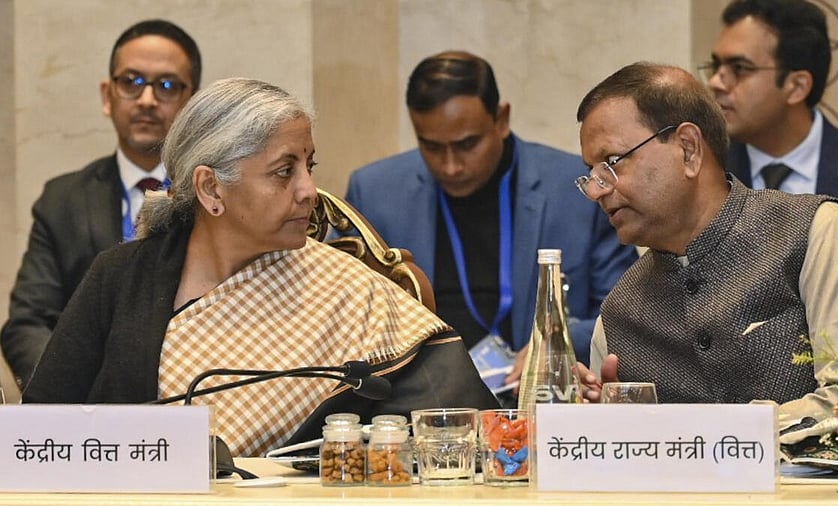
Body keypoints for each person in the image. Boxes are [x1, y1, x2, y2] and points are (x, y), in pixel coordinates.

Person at [22, 77, 499, 456]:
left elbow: (462, 428)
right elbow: (36, 435)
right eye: (283, 171)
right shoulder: (122, 277)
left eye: (309, 165)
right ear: (210, 189)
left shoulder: (350, 290)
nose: (309, 190)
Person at [573, 62, 838, 425]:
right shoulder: (618, 315)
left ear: (688, 149)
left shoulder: (814, 231)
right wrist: (605, 431)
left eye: (612, 163)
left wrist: (717, 435)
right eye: (590, 174)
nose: (594, 190)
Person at [344, 51, 636, 375]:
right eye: (432, 147)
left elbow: (624, 311)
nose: (451, 166)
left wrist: (556, 344)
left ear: (501, 119)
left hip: (536, 399)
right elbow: (347, 317)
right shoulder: (375, 192)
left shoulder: (576, 190)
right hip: (423, 400)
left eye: (468, 144)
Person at [1, 19, 202, 387]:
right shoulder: (63, 201)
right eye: (131, 82)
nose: (146, 99)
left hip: (195, 403)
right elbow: (28, 321)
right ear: (107, 95)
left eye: (168, 86)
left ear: (193, 103)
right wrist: (70, 398)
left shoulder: (215, 196)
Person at [703, 0, 838, 240]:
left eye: (740, 68)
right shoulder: (702, 172)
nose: (715, 82)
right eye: (716, 66)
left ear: (797, 86)